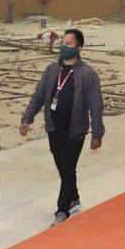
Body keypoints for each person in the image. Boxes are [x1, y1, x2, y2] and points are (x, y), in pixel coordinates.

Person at [21, 28, 105, 226]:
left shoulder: (88, 74)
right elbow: (39, 96)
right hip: (54, 128)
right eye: (63, 43)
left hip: (75, 130)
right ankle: (73, 198)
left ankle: (62, 209)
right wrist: (27, 118)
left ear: (79, 47)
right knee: (64, 168)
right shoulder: (52, 70)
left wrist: (97, 133)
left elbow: (96, 105)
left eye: (69, 44)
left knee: (67, 168)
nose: (64, 47)